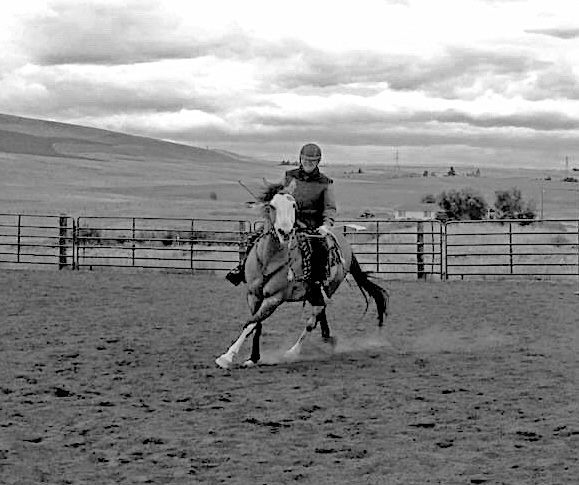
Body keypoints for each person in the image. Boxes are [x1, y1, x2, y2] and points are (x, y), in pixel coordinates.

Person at [226, 143, 337, 306]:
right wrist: (268, 204)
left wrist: (326, 225)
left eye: (312, 161)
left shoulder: (325, 182)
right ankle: (242, 268)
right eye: (305, 160)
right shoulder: (289, 176)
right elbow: (278, 194)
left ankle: (316, 285)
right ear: (300, 159)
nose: (308, 163)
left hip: (311, 226)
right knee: (255, 237)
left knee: (319, 249)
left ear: (318, 162)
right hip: (287, 220)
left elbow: (329, 208)